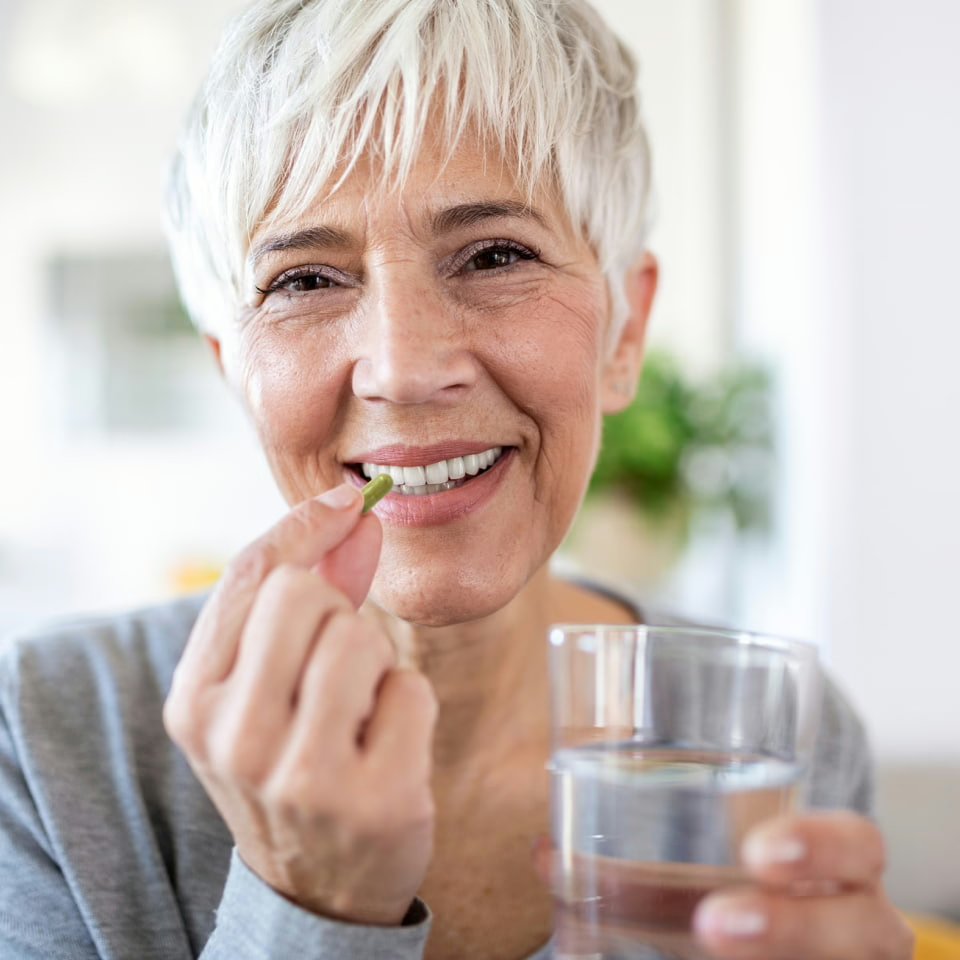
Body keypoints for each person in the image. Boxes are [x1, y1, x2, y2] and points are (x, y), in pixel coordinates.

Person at [0, 1, 913, 958]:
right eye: (306, 280)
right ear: (234, 367)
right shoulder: (45, 740)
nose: (401, 365)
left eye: (496, 255)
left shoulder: (768, 733)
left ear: (624, 332)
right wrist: (310, 907)